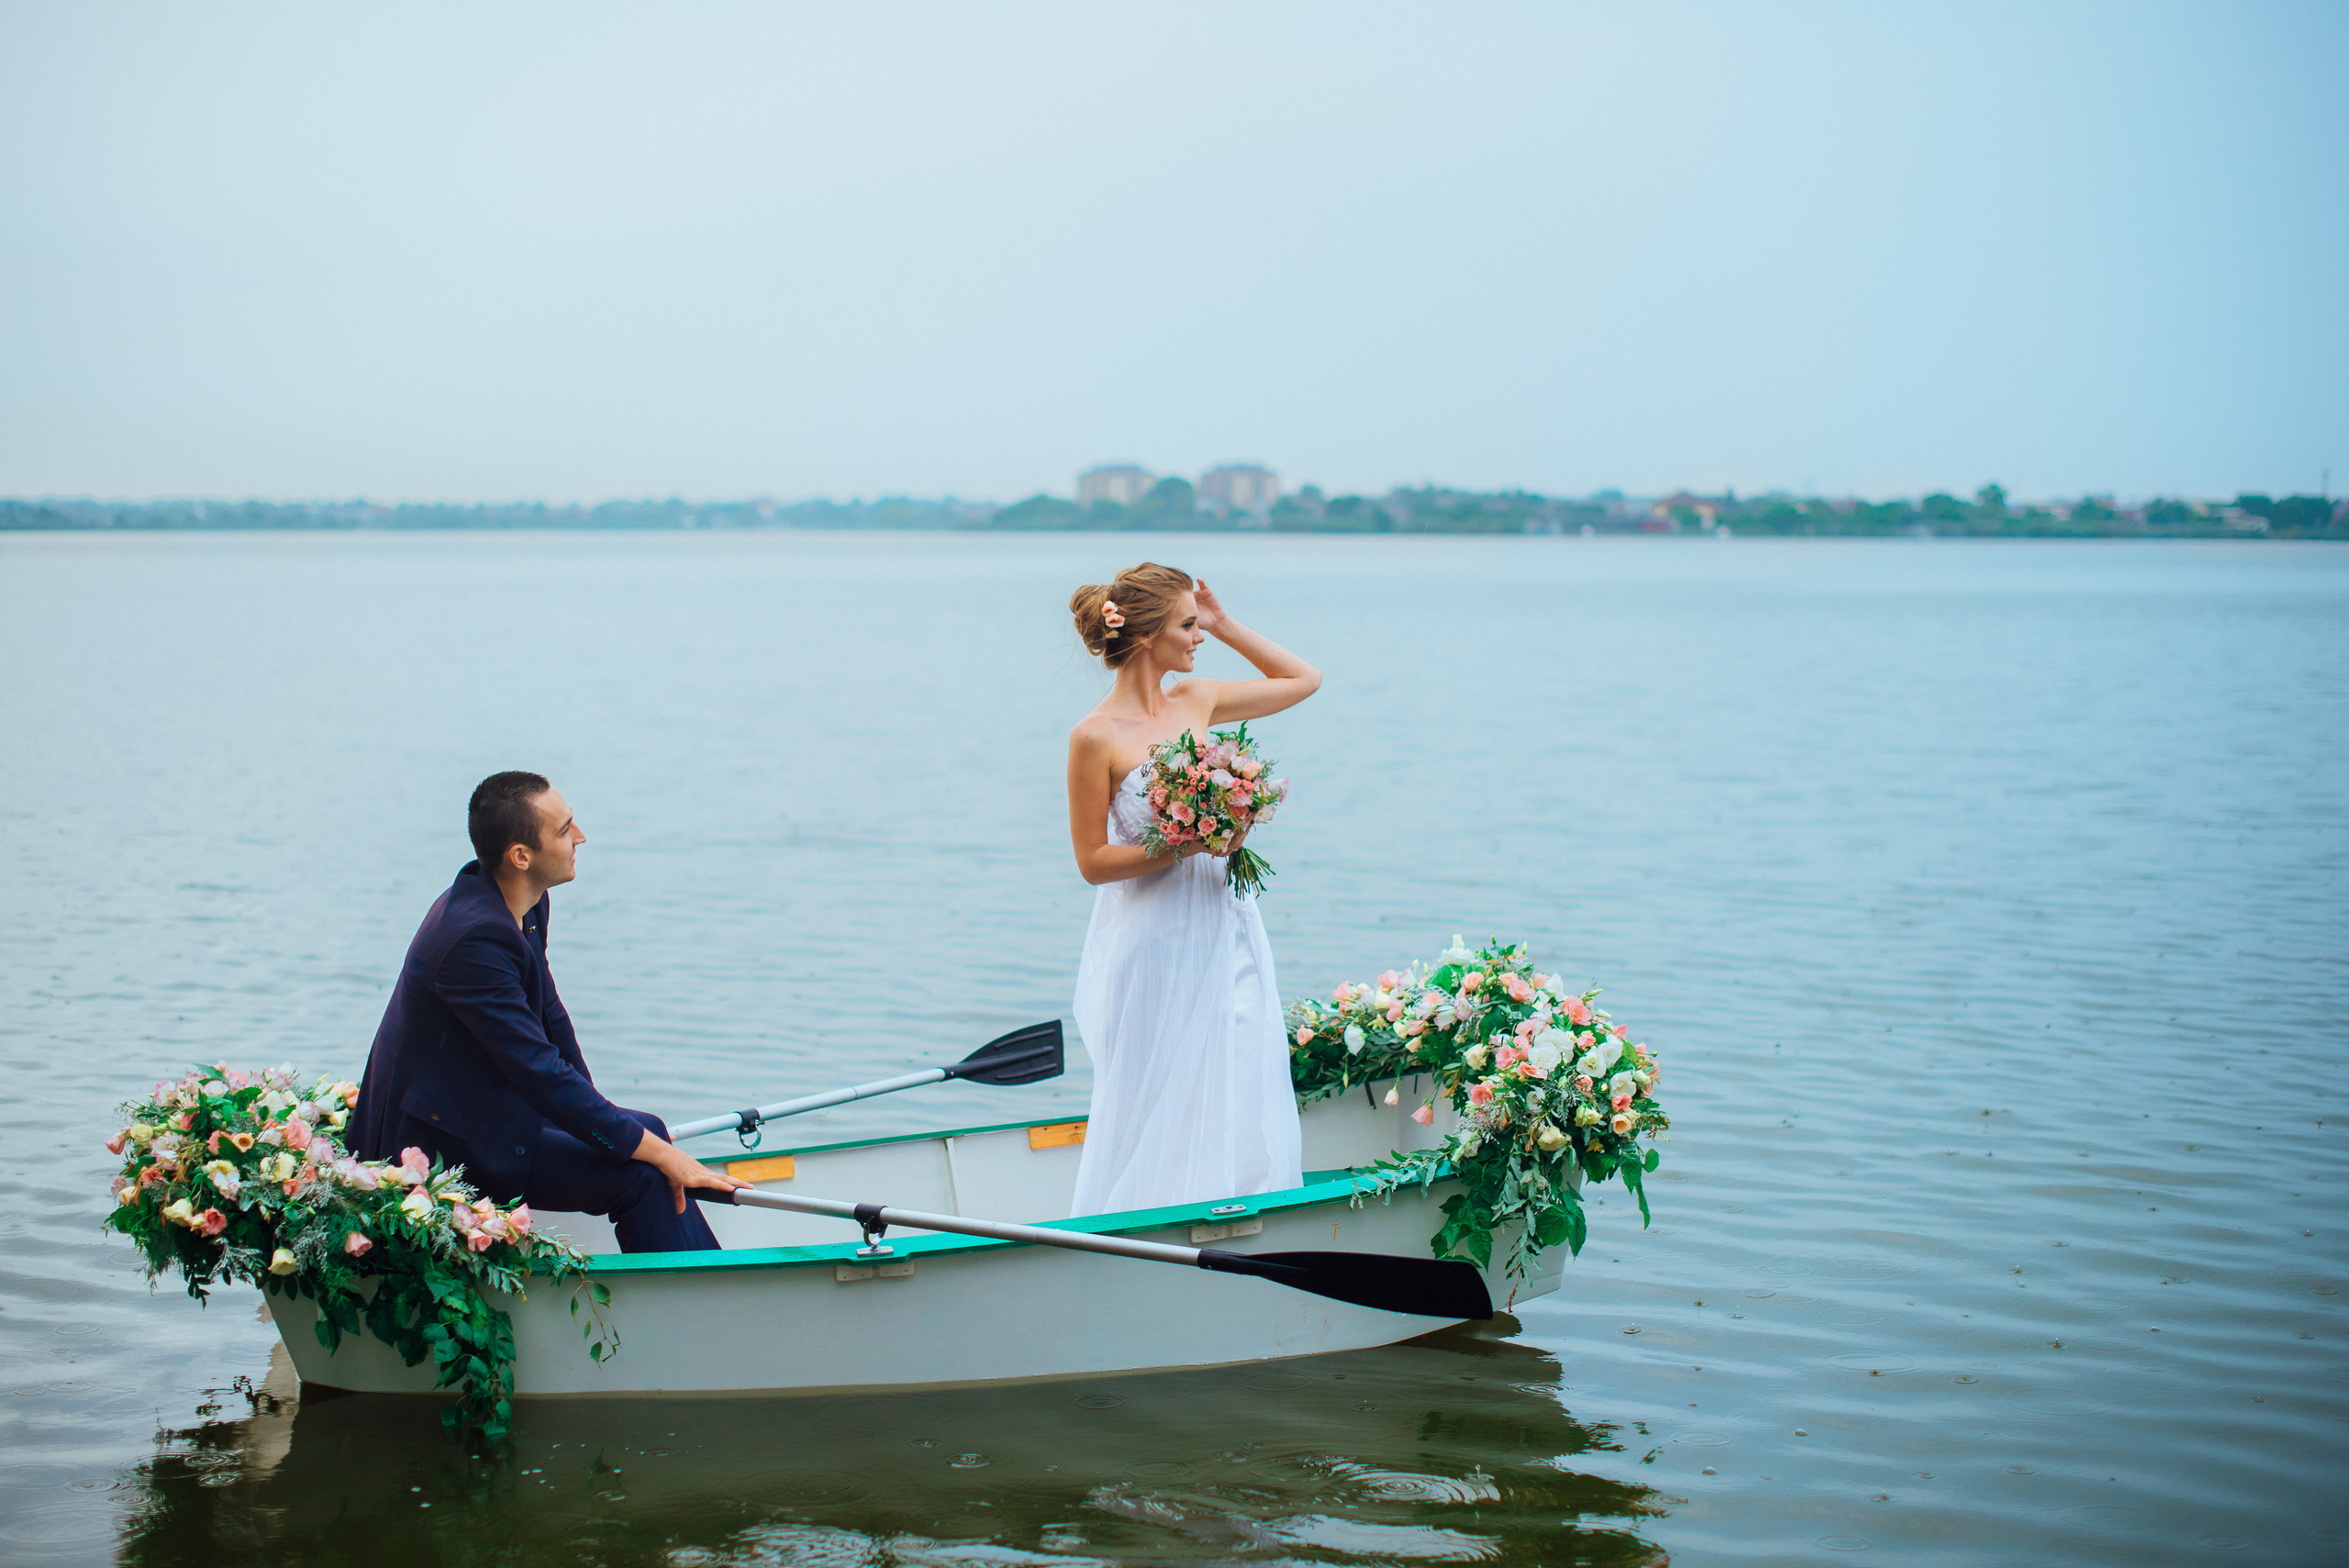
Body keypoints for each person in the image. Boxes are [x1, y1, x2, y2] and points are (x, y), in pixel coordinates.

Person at [351, 771, 747, 1251]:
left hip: (485, 1106)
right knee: (642, 1172)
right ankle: (697, 1302)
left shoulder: (525, 904)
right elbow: (538, 1070)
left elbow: (550, 1018)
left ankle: (695, 1278)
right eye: (564, 830)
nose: (580, 837)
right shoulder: (473, 940)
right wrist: (640, 1149)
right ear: (521, 856)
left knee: (646, 1133)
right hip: (440, 1145)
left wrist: (602, 1123)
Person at [1063, 564, 1321, 1217]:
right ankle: (1143, 1223)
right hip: (1151, 936)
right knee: (1158, 1085)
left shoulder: (1197, 699)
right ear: (1147, 635)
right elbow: (1092, 860)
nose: (1198, 636)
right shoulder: (1094, 737)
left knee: (1239, 1060)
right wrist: (1183, 843)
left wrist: (1224, 620)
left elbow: (1304, 680)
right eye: (1187, 625)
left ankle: (1240, 1213)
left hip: (1225, 919)